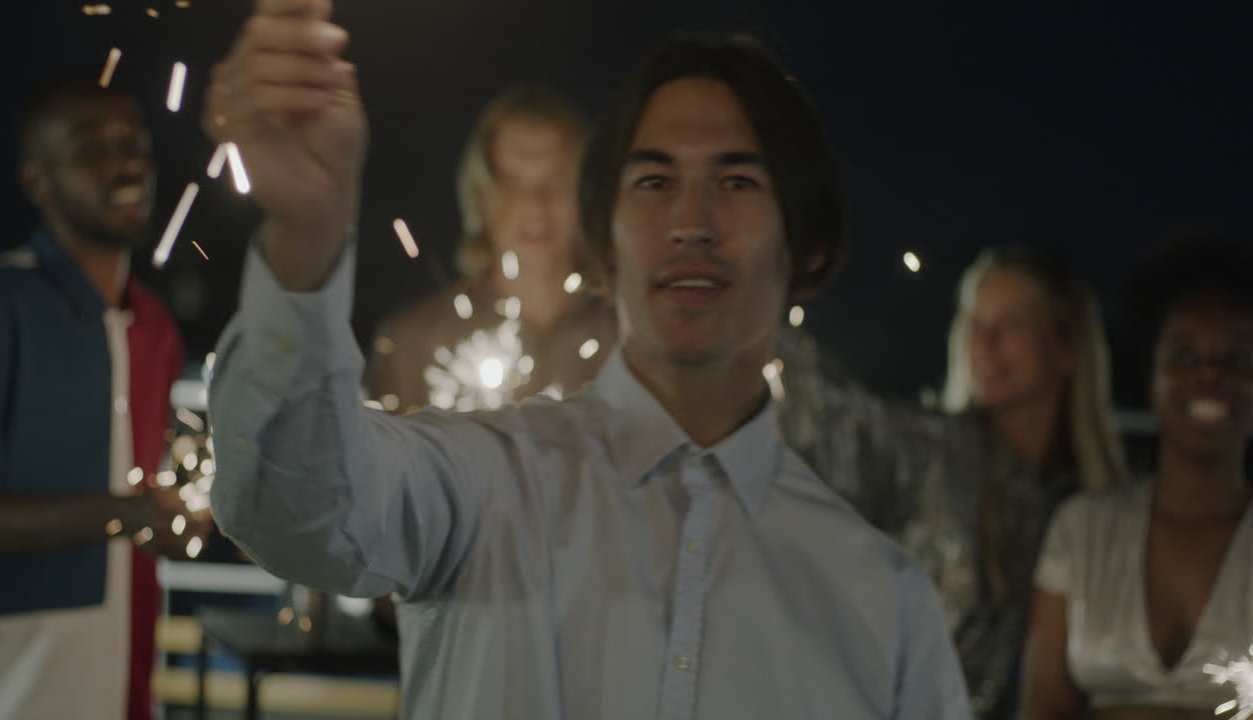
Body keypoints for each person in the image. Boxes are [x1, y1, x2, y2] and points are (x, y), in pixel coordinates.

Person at [202, 1, 971, 717]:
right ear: (604, 238)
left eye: (736, 180)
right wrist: (306, 239)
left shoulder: (883, 602)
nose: (690, 222)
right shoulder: (482, 487)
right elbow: (293, 507)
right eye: (655, 180)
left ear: (809, 246)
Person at [780, 246, 1128, 719]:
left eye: (1008, 326)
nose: (983, 346)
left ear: (1066, 348)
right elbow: (835, 427)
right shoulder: (932, 452)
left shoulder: (1097, 507)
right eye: (973, 324)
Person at [0, 79, 212, 719]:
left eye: (133, 143)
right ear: (38, 181)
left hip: (127, 687)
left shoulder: (156, 326)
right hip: (6, 690)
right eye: (91, 148)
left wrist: (174, 519)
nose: (128, 161)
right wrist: (129, 514)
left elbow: (143, 500)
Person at [1022, 233, 1253, 720]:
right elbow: (1043, 707)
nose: (1209, 375)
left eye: (1237, 358)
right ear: (1150, 379)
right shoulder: (1083, 530)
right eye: (1184, 355)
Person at [368, 86, 616, 413]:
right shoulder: (414, 342)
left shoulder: (631, 339)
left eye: (556, 180)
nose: (534, 204)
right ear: (480, 193)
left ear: (586, 192)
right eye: (511, 183)